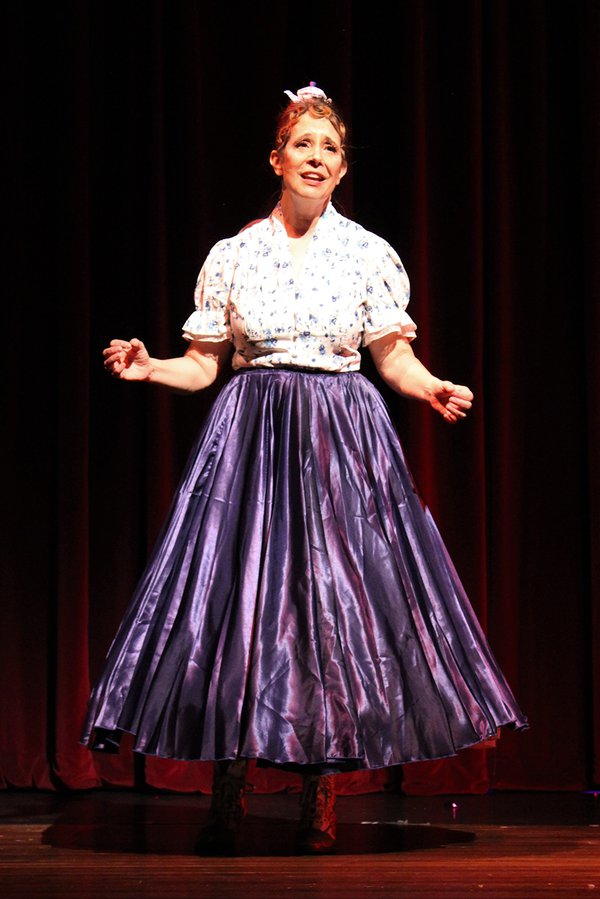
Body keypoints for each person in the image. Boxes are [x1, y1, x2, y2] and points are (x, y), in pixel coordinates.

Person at [82, 83, 526, 855]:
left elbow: (393, 356)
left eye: (330, 148)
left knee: (330, 613)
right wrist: (149, 369)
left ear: (342, 168)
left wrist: (431, 389)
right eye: (303, 145)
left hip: (339, 442)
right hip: (249, 439)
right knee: (237, 608)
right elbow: (201, 367)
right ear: (277, 158)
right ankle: (230, 789)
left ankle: (321, 797)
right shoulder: (234, 255)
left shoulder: (367, 255)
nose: (316, 158)